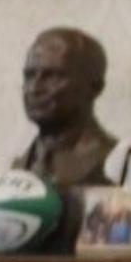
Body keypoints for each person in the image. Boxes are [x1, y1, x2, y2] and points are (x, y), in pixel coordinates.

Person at [13, 27, 118, 189]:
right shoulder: (19, 169)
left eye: (53, 76)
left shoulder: (115, 162)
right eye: (29, 76)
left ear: (94, 87)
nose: (34, 89)